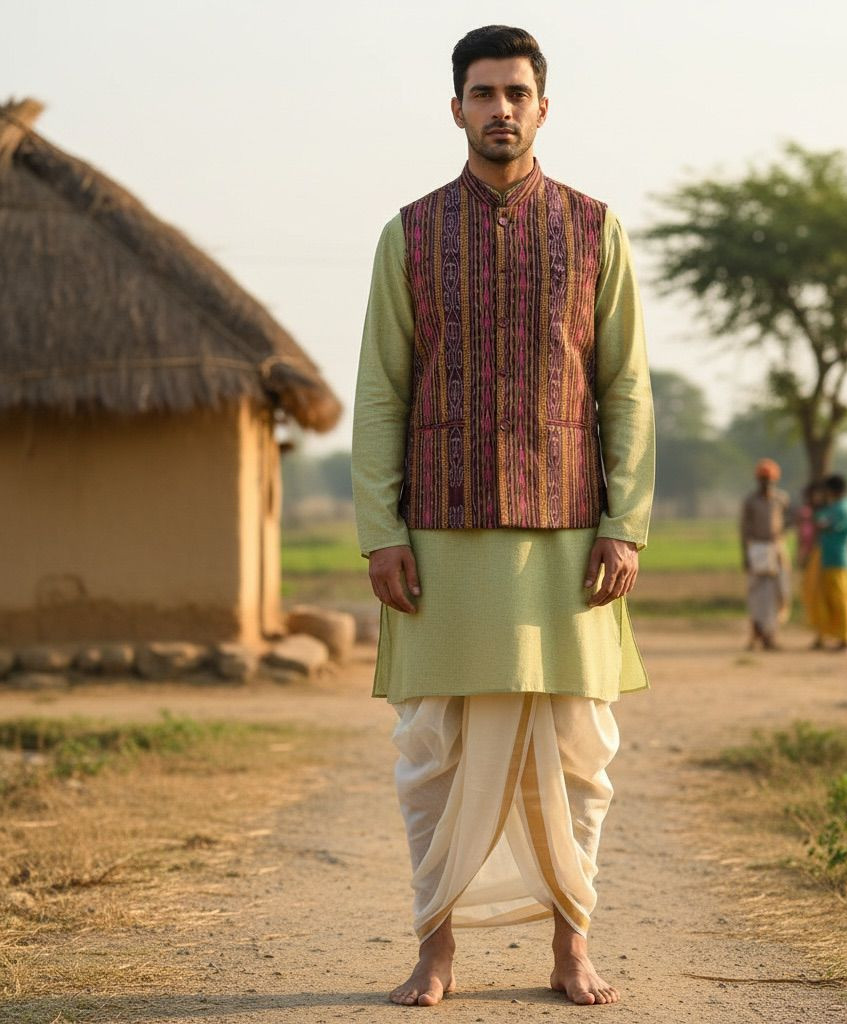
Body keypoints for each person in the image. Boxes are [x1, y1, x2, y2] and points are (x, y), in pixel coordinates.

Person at [352, 26, 655, 1008]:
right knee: (430, 754)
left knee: (579, 754)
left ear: (542, 107)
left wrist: (624, 522)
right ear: (456, 109)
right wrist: (381, 531)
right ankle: (435, 950)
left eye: (516, 93)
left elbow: (626, 389)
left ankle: (572, 948)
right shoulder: (409, 234)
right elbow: (382, 393)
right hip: (438, 538)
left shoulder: (594, 229)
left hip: (570, 538)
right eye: (483, 94)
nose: (501, 110)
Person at [739, 458, 790, 650]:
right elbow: (744, 529)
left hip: (777, 548)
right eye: (763, 479)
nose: (766, 483)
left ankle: (771, 635)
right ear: (758, 480)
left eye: (769, 480)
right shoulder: (750, 501)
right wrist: (745, 555)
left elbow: (790, 519)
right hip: (758, 549)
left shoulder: (781, 499)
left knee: (780, 593)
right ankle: (756, 634)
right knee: (758, 594)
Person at [813, 474, 847, 651]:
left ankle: (846, 638)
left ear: (832, 490)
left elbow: (823, 524)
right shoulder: (846, 505)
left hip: (837, 559)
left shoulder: (841, 508)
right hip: (832, 558)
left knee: (841, 599)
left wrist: (817, 510)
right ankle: (833, 635)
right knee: (831, 598)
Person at [796, 481, 828, 648]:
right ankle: (819, 634)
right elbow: (802, 537)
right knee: (811, 595)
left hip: (822, 556)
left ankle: (825, 633)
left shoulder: (824, 513)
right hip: (810, 557)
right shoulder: (805, 513)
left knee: (822, 596)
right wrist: (801, 554)